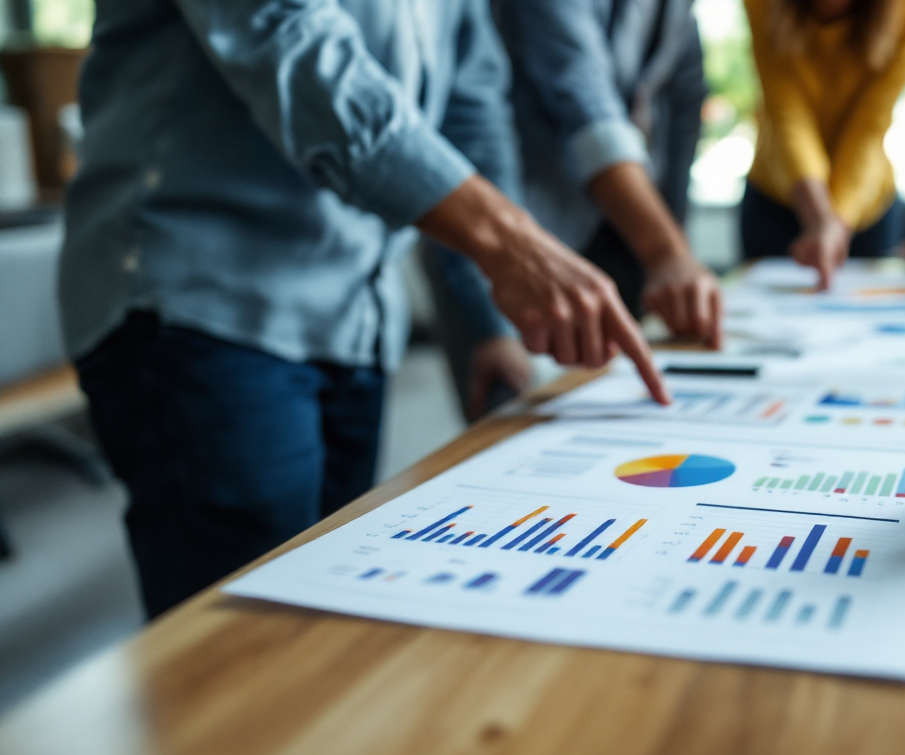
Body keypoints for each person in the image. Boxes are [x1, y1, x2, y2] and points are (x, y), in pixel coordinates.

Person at [61, 0, 668, 618]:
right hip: (203, 304)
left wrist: (491, 322)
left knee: (324, 619)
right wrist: (510, 242)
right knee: (243, 649)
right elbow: (297, 52)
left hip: (355, 318)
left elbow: (469, 107)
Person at [495, 0, 723, 348]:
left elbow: (684, 97)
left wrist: (676, 247)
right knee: (520, 383)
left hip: (627, 221)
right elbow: (583, 98)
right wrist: (666, 249)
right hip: (523, 223)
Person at [742, 0, 905, 288]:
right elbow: (787, 115)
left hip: (866, 208)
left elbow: (870, 124)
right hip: (777, 200)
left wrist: (835, 221)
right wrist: (821, 217)